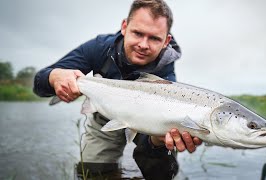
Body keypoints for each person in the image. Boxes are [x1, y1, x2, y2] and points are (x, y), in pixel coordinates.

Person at [33, 0, 202, 179]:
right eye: (137, 33)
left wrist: (155, 142)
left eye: (154, 38)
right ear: (124, 27)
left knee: (162, 171)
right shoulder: (99, 47)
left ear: (166, 41)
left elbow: (155, 129)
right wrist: (54, 77)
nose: (144, 45)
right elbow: (40, 83)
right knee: (92, 173)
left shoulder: (165, 67)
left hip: (148, 118)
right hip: (105, 112)